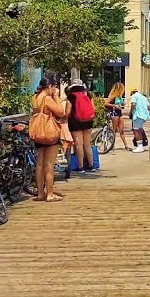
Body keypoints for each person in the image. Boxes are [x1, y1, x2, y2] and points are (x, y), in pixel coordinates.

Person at [31, 74, 67, 203]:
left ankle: (40, 193)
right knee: (49, 164)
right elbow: (61, 112)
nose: (54, 90)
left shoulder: (35, 97)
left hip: (38, 133)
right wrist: (56, 96)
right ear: (50, 86)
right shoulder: (47, 98)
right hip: (49, 133)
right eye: (54, 87)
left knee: (39, 164)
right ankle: (50, 194)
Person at [66, 80, 96, 172]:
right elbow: (93, 109)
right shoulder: (88, 95)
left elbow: (67, 112)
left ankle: (81, 167)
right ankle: (91, 166)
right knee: (87, 144)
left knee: (79, 144)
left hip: (75, 122)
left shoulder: (71, 97)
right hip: (88, 121)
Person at [105, 82, 132, 151]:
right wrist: (114, 105)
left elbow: (121, 104)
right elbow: (106, 103)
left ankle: (126, 145)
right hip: (114, 113)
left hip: (119, 113)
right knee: (114, 130)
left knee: (122, 130)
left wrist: (123, 103)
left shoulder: (119, 96)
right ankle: (112, 144)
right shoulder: (113, 96)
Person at [129, 87, 150, 152]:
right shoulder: (143, 97)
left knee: (135, 130)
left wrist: (130, 112)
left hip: (137, 115)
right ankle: (140, 146)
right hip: (144, 116)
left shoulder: (134, 96)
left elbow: (133, 104)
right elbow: (148, 107)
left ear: (132, 92)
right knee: (139, 130)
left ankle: (139, 146)